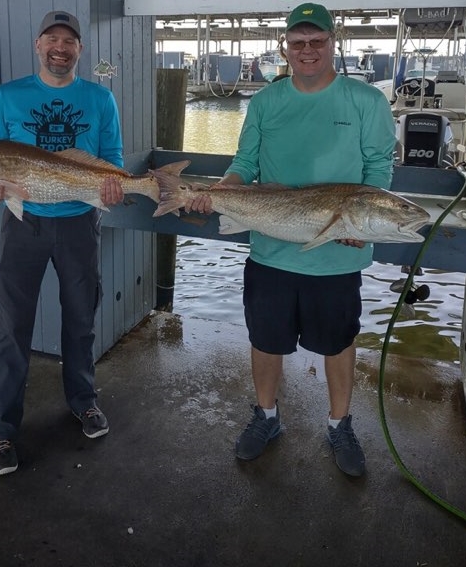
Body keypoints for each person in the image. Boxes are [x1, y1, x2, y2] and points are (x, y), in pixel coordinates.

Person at [186, 3, 395, 477]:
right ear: (285, 46)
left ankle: (340, 423)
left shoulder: (367, 101)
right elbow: (245, 164)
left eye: (316, 42)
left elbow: (379, 169)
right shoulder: (265, 102)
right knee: (266, 339)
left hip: (337, 253)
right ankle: (266, 416)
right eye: (298, 43)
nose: (307, 51)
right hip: (271, 248)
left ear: (332, 42)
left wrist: (358, 226)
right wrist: (218, 194)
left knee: (338, 342)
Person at [0, 10, 124, 475]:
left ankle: (83, 400)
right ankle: (1, 431)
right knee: (11, 327)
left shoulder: (100, 98)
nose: (60, 47)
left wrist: (114, 186)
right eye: (51, 39)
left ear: (80, 49)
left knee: (80, 319)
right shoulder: (8, 96)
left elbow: (111, 159)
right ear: (38, 45)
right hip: (24, 224)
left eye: (69, 40)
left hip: (79, 222)